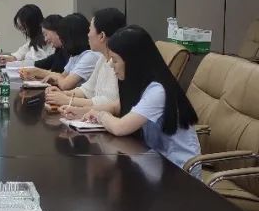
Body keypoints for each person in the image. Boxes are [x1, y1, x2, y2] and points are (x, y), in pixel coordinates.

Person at [72, 26, 200, 170]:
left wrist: (100, 115)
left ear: (133, 61)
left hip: (178, 169)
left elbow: (120, 128)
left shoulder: (158, 91)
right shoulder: (138, 83)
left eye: (115, 60)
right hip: (154, 160)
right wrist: (82, 111)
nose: (111, 65)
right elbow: (116, 106)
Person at [45, 7, 125, 114]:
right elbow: (87, 90)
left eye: (90, 30)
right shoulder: (102, 58)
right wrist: (63, 94)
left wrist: (67, 100)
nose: (88, 34)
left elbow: (109, 101)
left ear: (102, 36)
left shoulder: (118, 63)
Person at [21, 13, 98, 90]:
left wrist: (39, 72)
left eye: (63, 37)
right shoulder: (75, 55)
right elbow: (63, 76)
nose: (61, 39)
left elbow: (65, 84)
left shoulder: (90, 56)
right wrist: (39, 80)